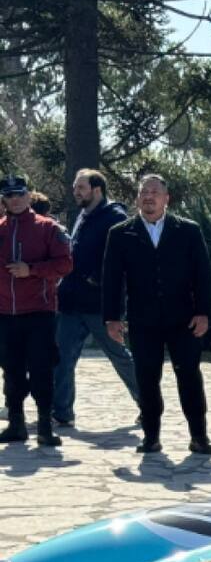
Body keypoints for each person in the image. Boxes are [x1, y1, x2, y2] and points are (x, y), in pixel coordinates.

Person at [102, 174, 211, 455]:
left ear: (167, 199)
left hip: (183, 319)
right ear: (137, 198)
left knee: (189, 376)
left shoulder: (188, 230)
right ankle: (151, 436)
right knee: (147, 378)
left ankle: (199, 436)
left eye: (154, 192)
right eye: (144, 192)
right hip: (143, 321)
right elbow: (112, 279)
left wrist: (204, 312)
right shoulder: (120, 233)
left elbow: (203, 275)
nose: (149, 197)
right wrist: (112, 318)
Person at [52, 169, 139, 428]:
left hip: (99, 305)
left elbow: (123, 259)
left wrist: (96, 279)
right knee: (62, 357)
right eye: (75, 187)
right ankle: (62, 412)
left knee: (119, 355)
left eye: (81, 187)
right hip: (70, 302)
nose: (75, 191)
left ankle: (148, 403)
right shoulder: (83, 214)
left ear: (97, 189)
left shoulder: (115, 217)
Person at [0, 175, 73, 446]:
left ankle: (45, 426)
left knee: (42, 369)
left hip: (39, 312)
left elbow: (65, 264)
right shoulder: (0, 229)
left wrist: (31, 270)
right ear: (3, 199)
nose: (15, 199)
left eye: (19, 194)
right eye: (9, 195)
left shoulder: (49, 228)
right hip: (6, 313)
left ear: (29, 196)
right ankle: (16, 424)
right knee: (11, 370)